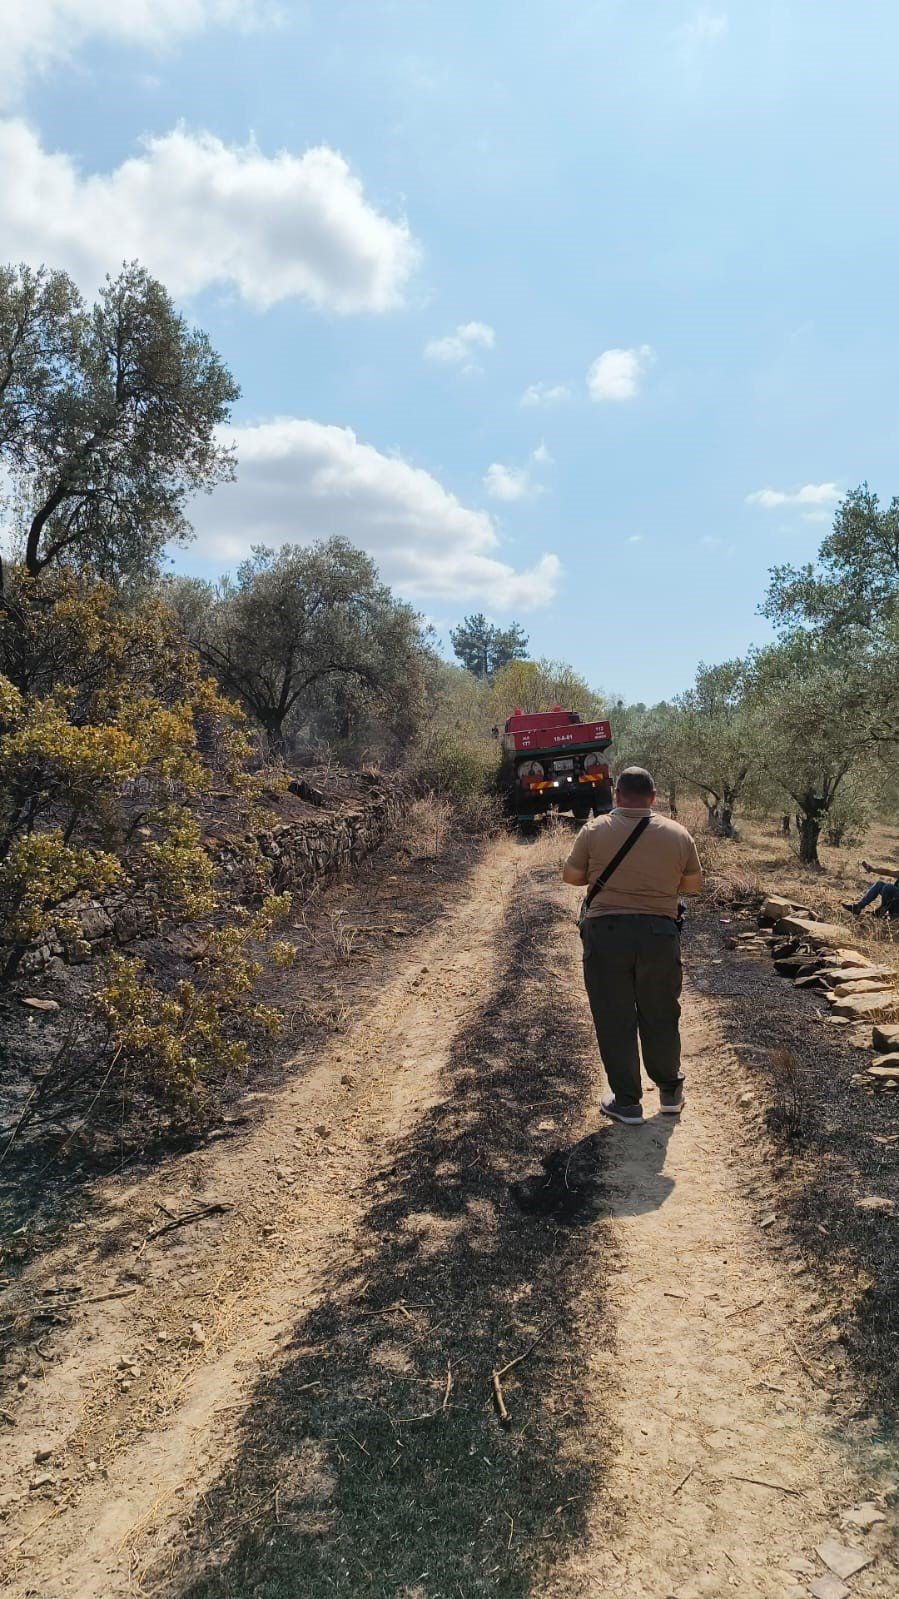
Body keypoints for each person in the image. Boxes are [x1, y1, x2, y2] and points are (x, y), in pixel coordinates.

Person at [562, 765, 703, 1126]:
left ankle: (627, 1102)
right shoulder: (678, 833)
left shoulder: (595, 829)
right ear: (653, 797)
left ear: (617, 795)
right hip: (660, 934)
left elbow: (572, 877)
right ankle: (670, 1093)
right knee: (661, 1012)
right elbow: (691, 886)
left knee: (615, 1017)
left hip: (606, 934)